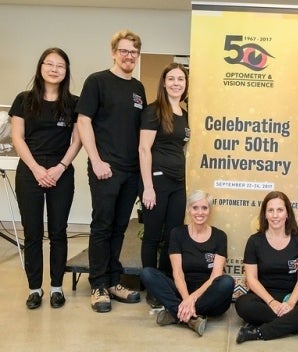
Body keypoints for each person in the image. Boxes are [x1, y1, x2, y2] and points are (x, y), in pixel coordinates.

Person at [76, 30, 147, 313]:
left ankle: (114, 280)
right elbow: (83, 122)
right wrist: (95, 160)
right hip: (105, 168)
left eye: (134, 52)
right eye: (124, 50)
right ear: (114, 52)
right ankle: (98, 285)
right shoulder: (97, 81)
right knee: (102, 227)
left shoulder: (139, 88)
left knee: (120, 227)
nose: (129, 56)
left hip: (131, 172)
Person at [10, 48, 81, 309]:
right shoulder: (24, 100)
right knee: (32, 233)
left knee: (59, 232)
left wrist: (61, 167)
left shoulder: (74, 103)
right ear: (40, 67)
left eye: (60, 65)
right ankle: (34, 289)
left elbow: (78, 139)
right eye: (49, 64)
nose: (54, 69)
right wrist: (38, 169)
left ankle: (56, 287)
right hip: (30, 171)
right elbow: (17, 138)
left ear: (66, 71)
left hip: (61, 172)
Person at [140, 190, 234, 336]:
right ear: (188, 209)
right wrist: (186, 299)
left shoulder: (220, 236)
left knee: (227, 282)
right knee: (147, 273)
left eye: (204, 208)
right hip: (182, 289)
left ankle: (175, 313)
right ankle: (191, 318)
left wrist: (192, 299)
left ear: (210, 210)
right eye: (195, 207)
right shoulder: (177, 233)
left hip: (208, 294)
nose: (200, 212)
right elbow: (177, 273)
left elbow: (215, 275)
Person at [235, 191, 298, 343]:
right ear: (265, 215)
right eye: (271, 210)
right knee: (242, 305)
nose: (275, 215)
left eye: (280, 210)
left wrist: (290, 303)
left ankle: (259, 332)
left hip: (292, 296)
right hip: (263, 298)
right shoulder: (254, 241)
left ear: (287, 213)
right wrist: (272, 302)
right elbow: (251, 279)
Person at [139, 63, 190, 307]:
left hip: (179, 183)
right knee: (151, 236)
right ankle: (151, 286)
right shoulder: (153, 110)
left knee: (172, 236)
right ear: (164, 82)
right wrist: (148, 187)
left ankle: (164, 283)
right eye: (171, 78)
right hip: (156, 181)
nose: (176, 83)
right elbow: (143, 148)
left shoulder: (184, 113)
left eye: (181, 79)